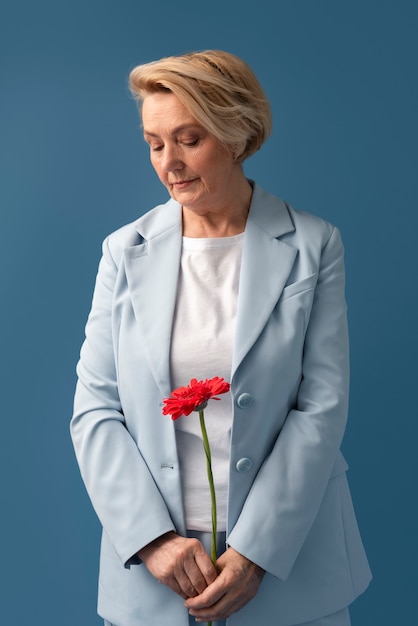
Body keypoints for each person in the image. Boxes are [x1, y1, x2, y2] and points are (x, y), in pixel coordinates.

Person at [71, 50, 371, 626]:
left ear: (236, 135)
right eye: (155, 144)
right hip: (155, 575)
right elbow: (95, 408)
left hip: (293, 564)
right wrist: (152, 539)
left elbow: (322, 406)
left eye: (189, 139)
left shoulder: (314, 245)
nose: (170, 164)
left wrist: (257, 550)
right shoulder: (122, 251)